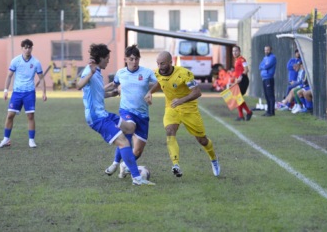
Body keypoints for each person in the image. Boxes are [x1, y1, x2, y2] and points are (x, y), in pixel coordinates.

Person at [76, 43, 155, 186]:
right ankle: (137, 178)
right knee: (124, 142)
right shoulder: (91, 70)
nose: (108, 61)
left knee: (129, 128)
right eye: (107, 58)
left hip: (104, 114)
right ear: (101, 58)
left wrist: (113, 93)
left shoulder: (98, 73)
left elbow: (97, 95)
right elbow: (78, 85)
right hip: (96, 118)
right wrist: (90, 73)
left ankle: (119, 165)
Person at [144, 51, 220, 177]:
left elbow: (197, 92)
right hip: (171, 108)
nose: (160, 67)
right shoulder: (157, 72)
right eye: (158, 64)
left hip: (188, 109)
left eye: (162, 64)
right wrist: (150, 92)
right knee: (169, 130)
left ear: (170, 62)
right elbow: (160, 83)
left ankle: (213, 158)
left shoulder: (185, 74)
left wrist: (181, 101)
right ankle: (176, 164)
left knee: (202, 140)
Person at [104, 44, 158, 178]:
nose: (135, 62)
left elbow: (159, 83)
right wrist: (98, 91)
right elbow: (114, 85)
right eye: (132, 59)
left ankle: (125, 166)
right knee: (128, 130)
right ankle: (115, 163)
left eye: (137, 59)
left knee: (138, 151)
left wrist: (150, 92)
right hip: (126, 111)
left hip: (143, 115)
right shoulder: (121, 73)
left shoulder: (146, 72)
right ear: (126, 59)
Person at [0, 39, 47, 148]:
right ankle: (6, 139)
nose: (27, 49)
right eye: (25, 47)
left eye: (29, 47)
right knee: (10, 115)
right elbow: (9, 76)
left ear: (32, 48)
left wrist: (44, 93)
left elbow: (41, 78)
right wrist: (5, 90)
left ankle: (31, 140)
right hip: (17, 93)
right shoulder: (15, 61)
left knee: (30, 116)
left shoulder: (36, 62)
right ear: (22, 48)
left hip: (29, 93)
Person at [229, 45, 253, 121]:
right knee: (238, 98)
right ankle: (243, 115)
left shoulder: (242, 60)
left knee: (237, 98)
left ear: (239, 51)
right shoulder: (237, 60)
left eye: (236, 51)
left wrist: (241, 76)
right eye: (233, 51)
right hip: (240, 80)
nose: (234, 52)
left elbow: (246, 70)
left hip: (243, 80)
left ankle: (246, 113)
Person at [259, 45, 277, 116]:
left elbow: (266, 66)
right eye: (265, 50)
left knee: (270, 95)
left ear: (271, 50)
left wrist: (264, 66)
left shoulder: (273, 57)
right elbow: (260, 66)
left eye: (268, 50)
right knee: (266, 95)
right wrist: (264, 66)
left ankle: (271, 112)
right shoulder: (265, 58)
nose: (266, 51)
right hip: (264, 78)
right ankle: (268, 111)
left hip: (269, 78)